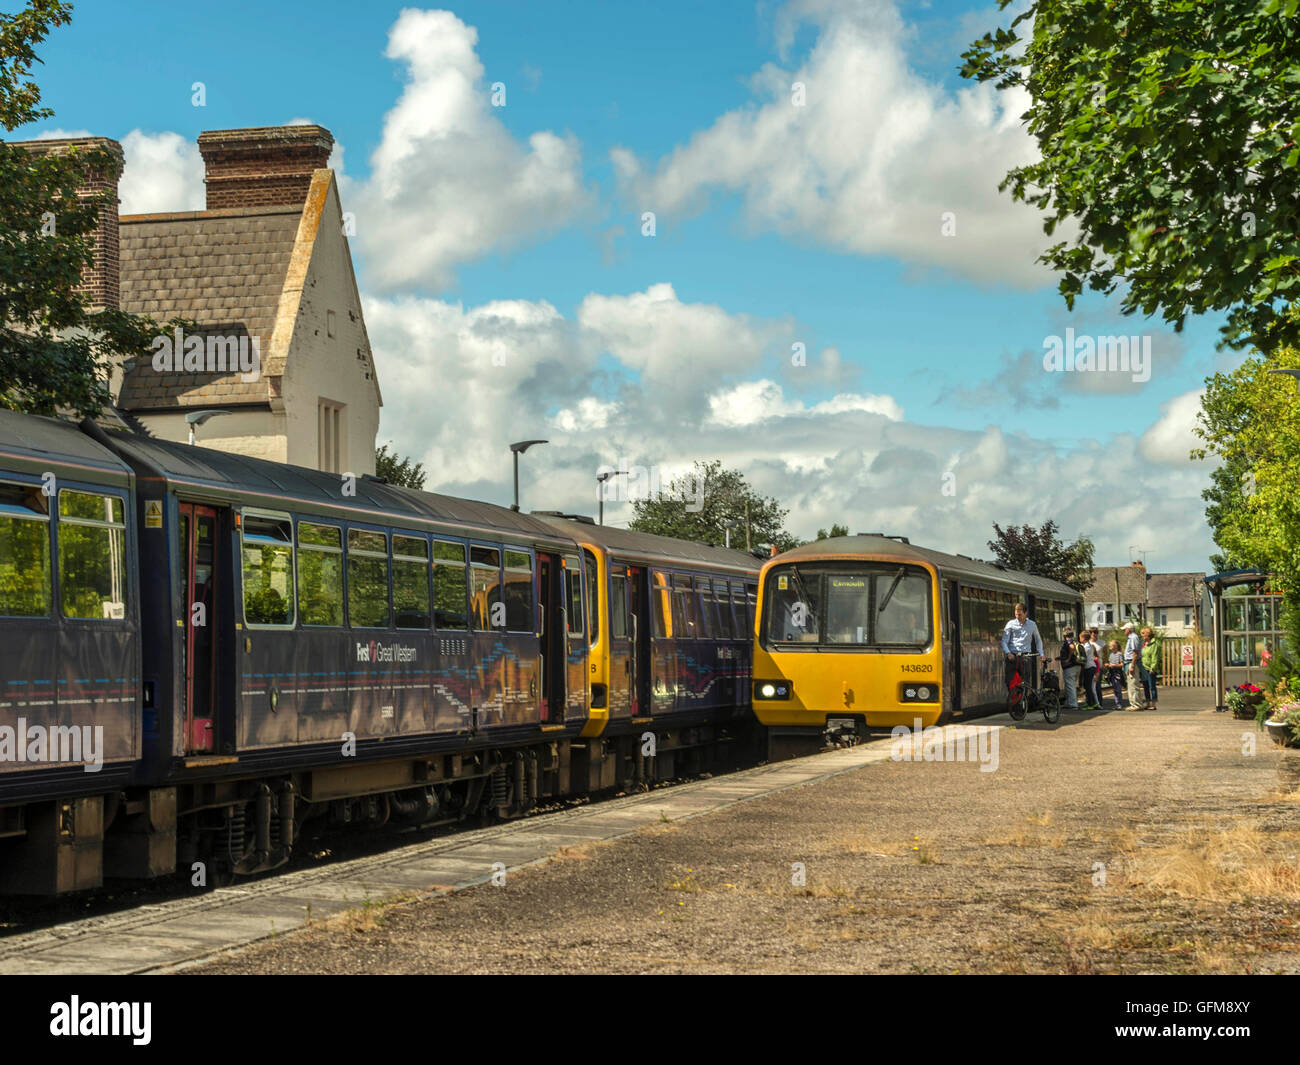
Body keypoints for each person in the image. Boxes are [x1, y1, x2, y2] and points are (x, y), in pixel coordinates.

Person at [1001, 601, 1044, 701]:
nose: (1017, 617)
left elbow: (1038, 640)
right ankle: (1014, 699)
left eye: (1020, 614)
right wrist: (1008, 653)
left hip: (1026, 656)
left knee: (1024, 682)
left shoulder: (1032, 625)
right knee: (1009, 681)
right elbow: (1004, 641)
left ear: (1025, 613)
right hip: (1012, 656)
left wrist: (1041, 654)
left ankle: (1022, 702)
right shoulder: (1010, 624)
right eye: (1016, 614)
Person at [1123, 621, 1145, 711]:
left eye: (1125, 629)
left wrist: (1132, 665)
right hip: (1129, 662)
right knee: (1131, 684)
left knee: (1133, 684)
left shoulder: (1133, 638)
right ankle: (1134, 703)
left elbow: (1135, 653)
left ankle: (1136, 704)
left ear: (1129, 630)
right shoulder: (1131, 638)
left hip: (1131, 662)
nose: (1124, 631)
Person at [1058, 628, 1082, 709]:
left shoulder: (1069, 641)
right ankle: (1069, 702)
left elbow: (1071, 648)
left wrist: (1068, 658)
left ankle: (1073, 704)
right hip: (1077, 666)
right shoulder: (1075, 641)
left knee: (1070, 686)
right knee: (1071, 685)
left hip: (1070, 667)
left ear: (1065, 635)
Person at [1078, 628, 1099, 710]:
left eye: (1080, 638)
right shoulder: (1088, 645)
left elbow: (1083, 657)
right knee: (1088, 686)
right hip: (1091, 667)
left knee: (1088, 687)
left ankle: (1090, 704)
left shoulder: (1086, 647)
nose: (1079, 639)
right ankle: (1092, 703)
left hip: (1089, 667)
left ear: (1083, 638)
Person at [1140, 627, 1160, 710]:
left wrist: (1153, 667)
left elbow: (1154, 657)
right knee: (1145, 686)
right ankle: (1148, 703)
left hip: (1150, 668)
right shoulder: (1144, 644)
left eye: (1144, 634)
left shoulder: (1154, 644)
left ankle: (1154, 704)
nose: (1143, 636)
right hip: (1143, 668)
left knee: (1152, 686)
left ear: (1148, 634)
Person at [1105, 639, 1126, 708]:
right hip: (1112, 673)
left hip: (1117, 673)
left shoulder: (1119, 654)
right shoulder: (1111, 655)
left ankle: (1119, 703)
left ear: (1114, 646)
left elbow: (1122, 664)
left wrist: (1114, 665)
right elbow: (1110, 662)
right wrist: (1108, 665)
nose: (1109, 647)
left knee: (1118, 689)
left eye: (1110, 646)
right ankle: (1117, 703)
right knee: (1115, 689)